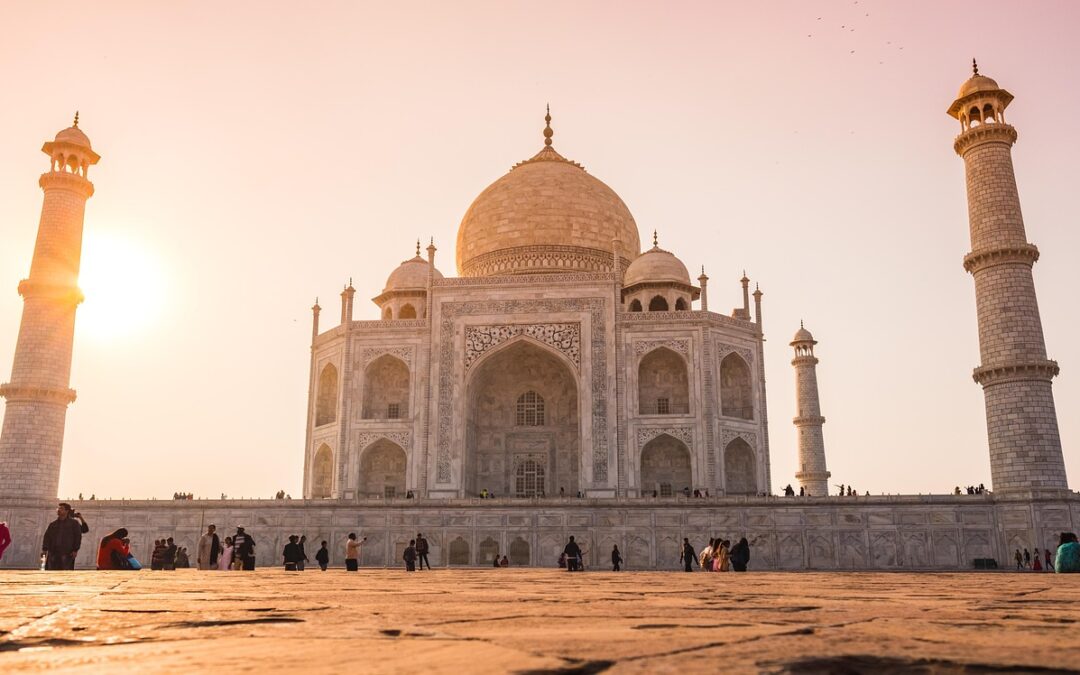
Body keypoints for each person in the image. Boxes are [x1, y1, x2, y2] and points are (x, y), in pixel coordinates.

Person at [41, 503, 89, 570]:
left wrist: (75, 550)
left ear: (67, 511)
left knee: (65, 574)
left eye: (61, 508)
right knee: (50, 573)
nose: (59, 510)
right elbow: (47, 537)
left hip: (67, 553)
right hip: (53, 554)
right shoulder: (53, 524)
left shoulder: (74, 524)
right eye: (58, 508)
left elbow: (79, 535)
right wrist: (44, 549)